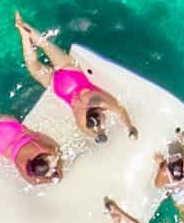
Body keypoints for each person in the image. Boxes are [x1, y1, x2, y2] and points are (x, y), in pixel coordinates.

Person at [14, 13, 138, 142]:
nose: (104, 123)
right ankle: (23, 35)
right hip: (59, 88)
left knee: (45, 44)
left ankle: (23, 25)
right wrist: (99, 134)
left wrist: (131, 127)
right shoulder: (81, 121)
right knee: (33, 65)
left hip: (71, 73)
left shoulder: (101, 101)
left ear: (99, 113)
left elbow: (121, 110)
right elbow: (93, 128)